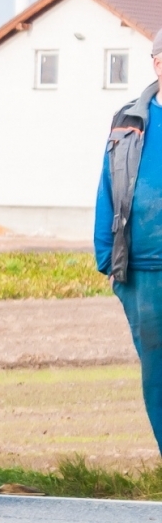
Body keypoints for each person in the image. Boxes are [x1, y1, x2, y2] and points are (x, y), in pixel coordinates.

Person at [95, 35, 162, 456]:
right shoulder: (128, 119)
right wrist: (107, 258)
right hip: (141, 274)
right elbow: (108, 184)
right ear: (157, 63)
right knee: (157, 378)